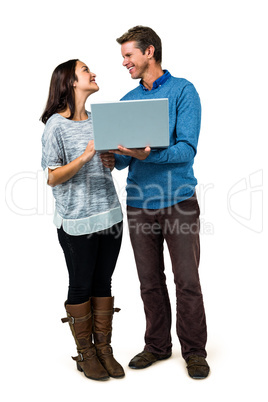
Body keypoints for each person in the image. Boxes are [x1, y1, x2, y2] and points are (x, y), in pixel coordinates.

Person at [102, 26, 210, 379]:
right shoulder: (128, 102)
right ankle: (157, 346)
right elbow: (124, 160)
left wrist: (146, 155)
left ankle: (194, 351)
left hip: (178, 201)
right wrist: (111, 157)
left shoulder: (183, 92)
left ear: (149, 52)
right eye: (123, 58)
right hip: (139, 204)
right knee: (149, 281)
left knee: (187, 281)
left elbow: (186, 150)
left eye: (128, 55)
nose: (124, 63)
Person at [41, 59, 124, 381]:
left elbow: (111, 166)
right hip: (77, 221)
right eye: (85, 70)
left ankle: (104, 349)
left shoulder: (99, 120)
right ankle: (85, 353)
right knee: (81, 285)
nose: (93, 73)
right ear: (71, 82)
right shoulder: (55, 126)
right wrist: (85, 156)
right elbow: (52, 177)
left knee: (104, 283)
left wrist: (109, 160)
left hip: (110, 215)